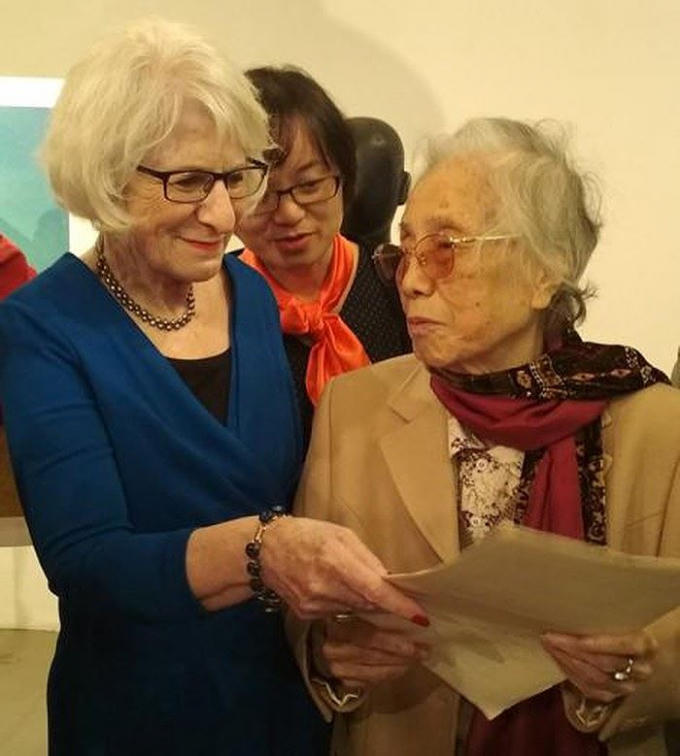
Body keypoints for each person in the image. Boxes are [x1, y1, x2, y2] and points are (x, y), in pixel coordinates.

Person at [0, 20, 425, 756]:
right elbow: (89, 566)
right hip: (141, 713)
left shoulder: (248, 294)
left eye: (234, 178)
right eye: (190, 181)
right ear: (107, 176)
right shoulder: (42, 327)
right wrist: (264, 553)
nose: (226, 216)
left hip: (282, 699)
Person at [288, 118, 680, 755]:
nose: (411, 281)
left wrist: (640, 671)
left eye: (444, 249)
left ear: (545, 271)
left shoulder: (656, 427)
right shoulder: (353, 407)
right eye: (404, 253)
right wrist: (332, 657)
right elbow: (306, 615)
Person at [236, 67, 411, 446]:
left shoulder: (399, 283)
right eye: (262, 193)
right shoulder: (213, 301)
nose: (289, 213)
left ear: (345, 178)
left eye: (310, 184)